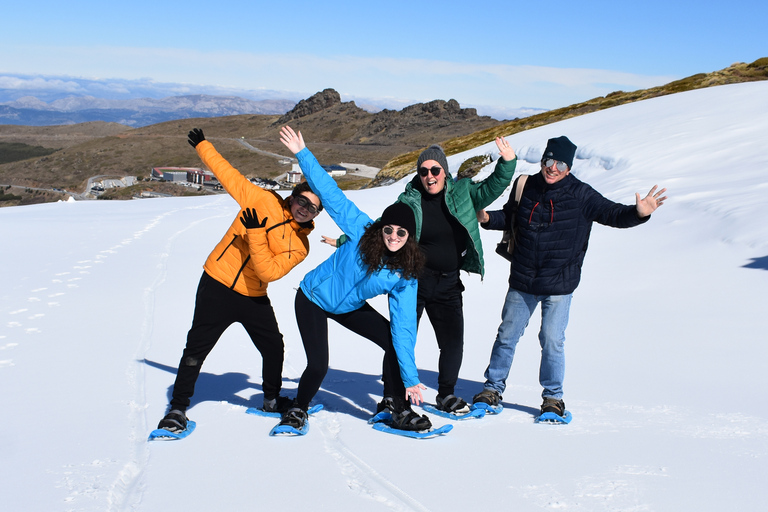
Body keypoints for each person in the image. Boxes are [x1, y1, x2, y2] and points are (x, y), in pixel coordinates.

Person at [472, 135, 667, 418]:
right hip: (523, 278)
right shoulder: (526, 186)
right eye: (548, 161)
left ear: (570, 167)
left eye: (560, 164)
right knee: (506, 336)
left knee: (552, 340)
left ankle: (553, 399)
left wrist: (639, 213)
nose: (552, 168)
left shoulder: (581, 195)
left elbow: (613, 214)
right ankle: (492, 390)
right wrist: (487, 219)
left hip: (559, 284)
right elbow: (510, 217)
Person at [156, 128, 323, 433]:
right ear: (293, 196)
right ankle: (177, 409)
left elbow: (268, 273)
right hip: (217, 284)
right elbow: (227, 173)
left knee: (274, 346)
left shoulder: (301, 246)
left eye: (311, 207)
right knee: (196, 348)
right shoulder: (260, 199)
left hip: (253, 296)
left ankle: (271, 400)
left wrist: (256, 235)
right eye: (301, 200)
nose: (302, 209)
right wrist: (204, 146)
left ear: (317, 213)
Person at [278, 125, 431, 433]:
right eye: (389, 229)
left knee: (392, 340)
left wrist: (411, 379)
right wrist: (302, 154)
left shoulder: (405, 273)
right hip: (313, 298)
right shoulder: (363, 231)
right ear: (382, 228)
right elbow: (331, 195)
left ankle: (395, 406)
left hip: (347, 306)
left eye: (401, 232)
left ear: (409, 237)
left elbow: (403, 327)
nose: (393, 236)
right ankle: (298, 409)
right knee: (319, 365)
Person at [394, 139, 517, 415]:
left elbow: (491, 188)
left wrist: (507, 163)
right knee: (402, 339)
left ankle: (446, 394)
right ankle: (393, 395)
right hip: (414, 282)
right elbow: (384, 228)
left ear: (445, 172)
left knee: (452, 343)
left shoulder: (462, 192)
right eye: (423, 171)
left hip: (449, 282)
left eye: (435, 170)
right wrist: (346, 240)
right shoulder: (409, 199)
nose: (429, 176)